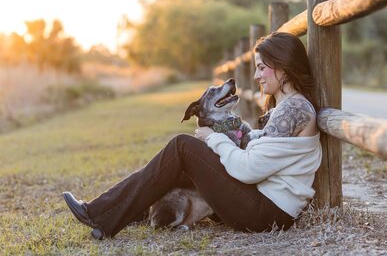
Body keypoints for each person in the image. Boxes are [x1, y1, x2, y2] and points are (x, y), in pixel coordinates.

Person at [63, 32, 322, 240]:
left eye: (262, 68)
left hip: (266, 213)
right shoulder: (288, 107)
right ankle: (115, 215)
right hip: (263, 203)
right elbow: (263, 152)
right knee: (182, 162)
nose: (256, 76)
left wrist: (213, 138)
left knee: (182, 147)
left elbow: (250, 169)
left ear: (284, 68)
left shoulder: (295, 109)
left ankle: (99, 213)